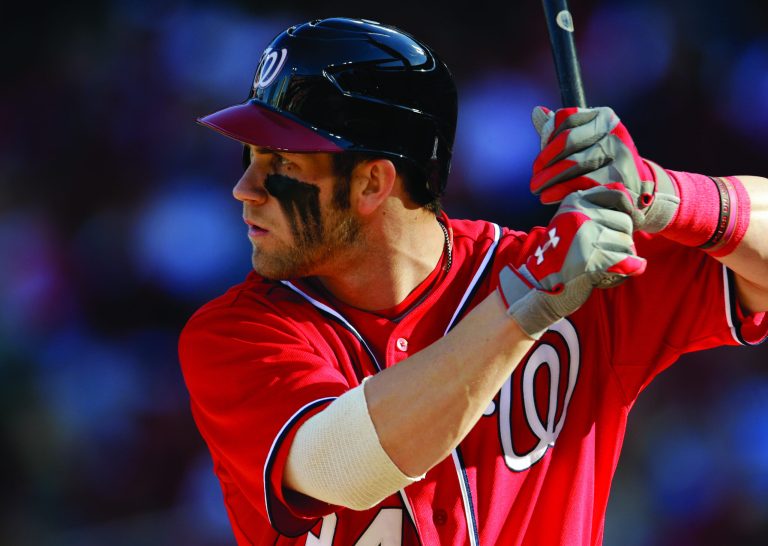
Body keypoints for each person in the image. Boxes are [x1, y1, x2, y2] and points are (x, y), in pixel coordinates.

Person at [178, 17, 768, 546]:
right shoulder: (235, 333)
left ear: (371, 185)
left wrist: (656, 194)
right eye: (251, 158)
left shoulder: (567, 272)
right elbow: (345, 466)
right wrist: (527, 303)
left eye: (281, 164)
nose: (245, 189)